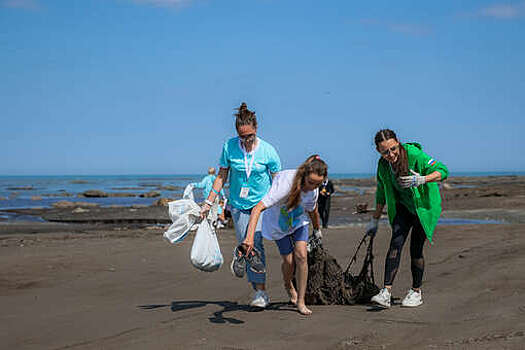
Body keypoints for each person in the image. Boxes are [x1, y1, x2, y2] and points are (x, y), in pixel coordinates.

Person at [200, 102, 281, 308]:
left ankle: (261, 294)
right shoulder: (229, 147)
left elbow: (278, 179)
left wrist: (283, 204)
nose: (246, 140)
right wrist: (209, 202)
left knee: (256, 243)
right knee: (247, 245)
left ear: (256, 130)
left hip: (261, 204)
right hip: (238, 204)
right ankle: (255, 285)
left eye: (249, 136)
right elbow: (221, 176)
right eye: (242, 136)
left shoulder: (268, 151)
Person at [366, 129, 448, 308]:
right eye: (385, 151)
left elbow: (443, 170)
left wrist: (422, 179)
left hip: (422, 208)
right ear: (379, 152)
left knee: (415, 249)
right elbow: (381, 194)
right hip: (402, 208)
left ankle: (416, 292)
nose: (391, 154)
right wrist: (374, 220)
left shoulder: (414, 154)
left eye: (393, 149)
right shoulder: (383, 165)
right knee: (395, 243)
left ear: (398, 143)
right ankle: (386, 292)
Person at [242, 155, 326, 315]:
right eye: (311, 182)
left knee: (301, 256)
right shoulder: (284, 186)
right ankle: (288, 285)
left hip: (298, 222)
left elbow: (313, 210)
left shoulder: (313, 191)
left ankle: (301, 301)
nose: (313, 187)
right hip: (278, 225)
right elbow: (257, 208)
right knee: (289, 261)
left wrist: (317, 230)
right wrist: (249, 238)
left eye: (318, 183)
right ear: (303, 176)